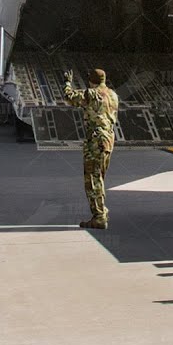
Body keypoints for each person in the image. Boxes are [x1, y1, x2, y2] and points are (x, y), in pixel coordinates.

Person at [63, 68, 120, 229]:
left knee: (92, 180)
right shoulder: (113, 95)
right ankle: (102, 210)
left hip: (95, 140)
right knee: (99, 176)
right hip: (109, 138)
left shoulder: (91, 94)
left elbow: (70, 97)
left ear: (91, 80)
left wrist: (67, 82)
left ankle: (99, 216)